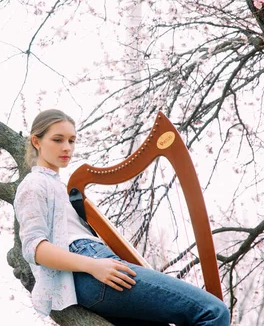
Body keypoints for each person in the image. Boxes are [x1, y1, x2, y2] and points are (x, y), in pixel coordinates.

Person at [14, 109, 230, 326]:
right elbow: (35, 248)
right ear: (36, 141)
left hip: (95, 271)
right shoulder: (34, 184)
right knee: (212, 312)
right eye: (58, 140)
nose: (67, 147)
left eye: (72, 140)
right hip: (91, 269)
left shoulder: (59, 187)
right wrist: (92, 265)